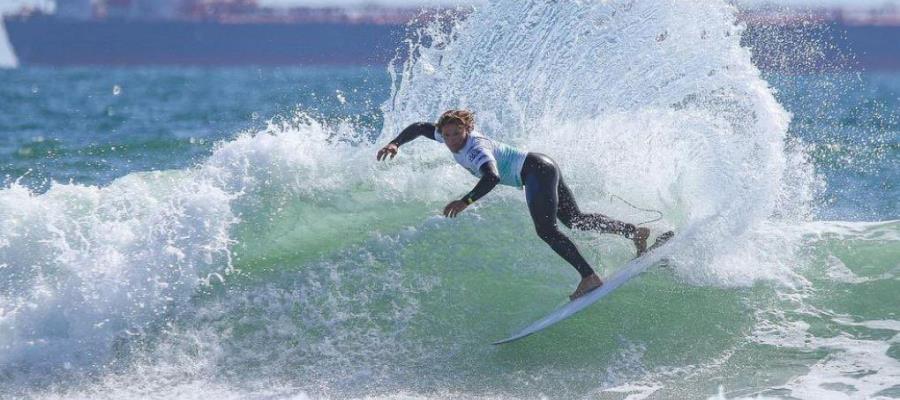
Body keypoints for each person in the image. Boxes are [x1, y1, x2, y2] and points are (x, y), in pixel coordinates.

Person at [377, 109, 655, 301]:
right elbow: (420, 128)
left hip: (536, 171)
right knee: (575, 220)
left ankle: (589, 277)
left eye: (457, 134)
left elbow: (492, 177)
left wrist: (465, 201)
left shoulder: (476, 149)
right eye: (447, 135)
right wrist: (395, 143)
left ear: (467, 130)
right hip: (542, 166)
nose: (451, 140)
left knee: (546, 230)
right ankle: (634, 232)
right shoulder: (445, 135)